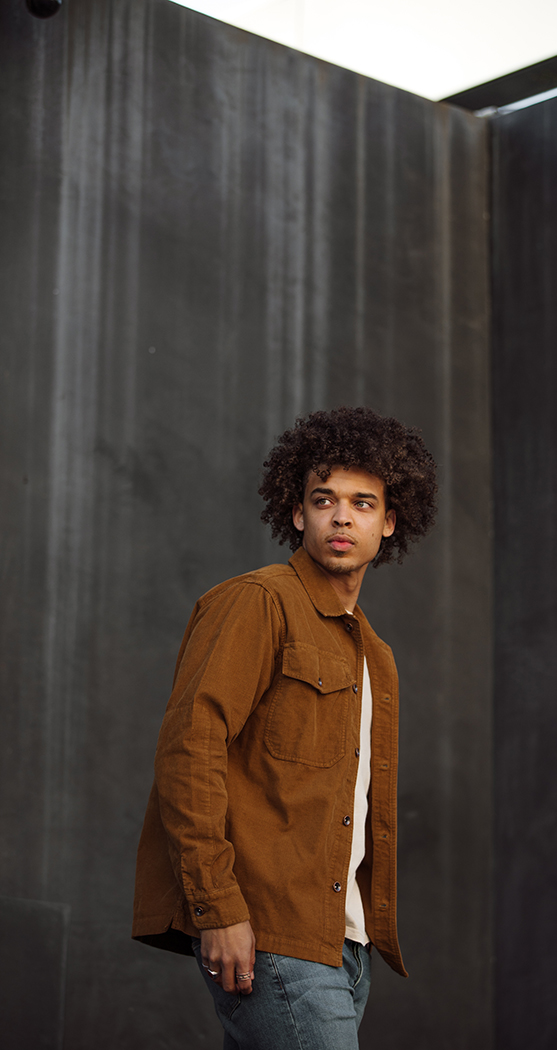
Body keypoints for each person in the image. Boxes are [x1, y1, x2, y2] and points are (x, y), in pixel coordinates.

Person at [132, 406, 438, 1050]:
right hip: (270, 934)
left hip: (346, 947)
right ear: (297, 514)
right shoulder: (259, 601)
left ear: (390, 521)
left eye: (362, 503)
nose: (342, 517)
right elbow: (190, 750)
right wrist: (218, 908)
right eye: (324, 500)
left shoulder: (376, 656)